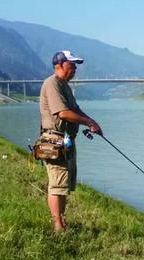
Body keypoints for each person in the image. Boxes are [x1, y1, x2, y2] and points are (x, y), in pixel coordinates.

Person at [39, 50, 102, 232]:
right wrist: (89, 122)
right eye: (71, 65)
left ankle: (61, 221)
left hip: (65, 141)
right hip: (54, 141)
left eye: (75, 66)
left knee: (64, 185)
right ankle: (58, 226)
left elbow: (76, 109)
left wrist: (93, 123)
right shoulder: (52, 83)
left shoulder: (64, 85)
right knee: (57, 185)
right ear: (59, 65)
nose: (74, 69)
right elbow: (63, 113)